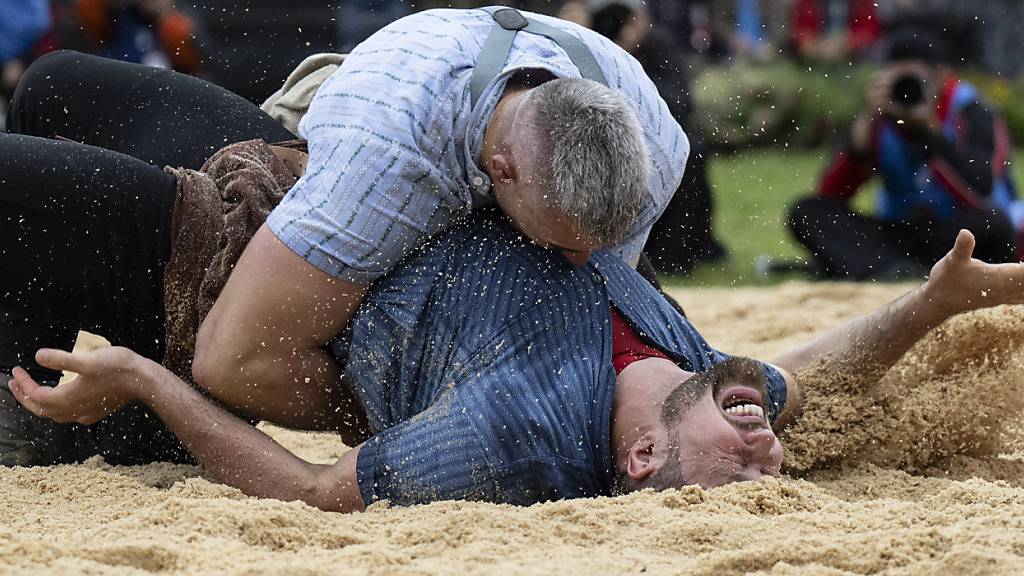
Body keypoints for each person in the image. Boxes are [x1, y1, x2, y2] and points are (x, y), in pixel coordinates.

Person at [8, 209, 1023, 510]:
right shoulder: (708, 380)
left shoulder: (513, 436)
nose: (769, 456)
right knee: (63, 81)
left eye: (740, 475)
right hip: (298, 192)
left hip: (221, 270)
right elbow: (818, 369)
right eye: (775, 468)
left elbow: (315, 489)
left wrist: (146, 378)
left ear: (639, 465)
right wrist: (927, 306)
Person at [1, 6, 687, 438]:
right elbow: (236, 359)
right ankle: (28, 398)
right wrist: (415, 416)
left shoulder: (653, 139)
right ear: (500, 169)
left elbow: (227, 365)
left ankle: (59, 431)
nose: (573, 264)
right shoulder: (387, 159)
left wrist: (430, 422)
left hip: (292, 227)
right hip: (314, 163)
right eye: (560, 243)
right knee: (50, 85)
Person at [787, 29, 1019, 281]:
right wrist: (863, 133)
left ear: (940, 78)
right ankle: (894, 268)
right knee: (808, 212)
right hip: (901, 230)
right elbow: (831, 195)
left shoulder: (971, 110)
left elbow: (981, 190)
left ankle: (881, 267)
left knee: (994, 226)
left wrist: (931, 134)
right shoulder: (880, 116)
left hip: (960, 230)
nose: (906, 92)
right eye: (898, 82)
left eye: (916, 82)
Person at [582, 0, 726, 273]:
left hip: (650, 141)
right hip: (597, 143)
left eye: (622, 17)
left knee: (690, 151)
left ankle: (675, 253)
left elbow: (679, 103)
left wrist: (627, 59)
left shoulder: (657, 44)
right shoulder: (579, 41)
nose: (616, 24)